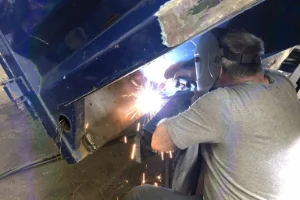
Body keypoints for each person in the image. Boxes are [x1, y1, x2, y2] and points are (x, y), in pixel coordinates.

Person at [125, 30, 300, 200]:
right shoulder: (281, 82)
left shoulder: (222, 103)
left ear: (216, 68)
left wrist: (195, 100)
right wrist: (196, 75)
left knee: (139, 195)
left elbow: (159, 142)